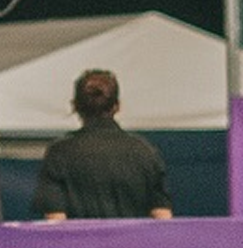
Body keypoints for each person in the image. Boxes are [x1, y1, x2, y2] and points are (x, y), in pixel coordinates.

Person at [33, 69, 174, 220]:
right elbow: (162, 216)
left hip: (81, 243)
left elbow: (55, 219)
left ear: (74, 106)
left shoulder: (59, 153)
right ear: (117, 106)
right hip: (133, 243)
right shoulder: (145, 151)